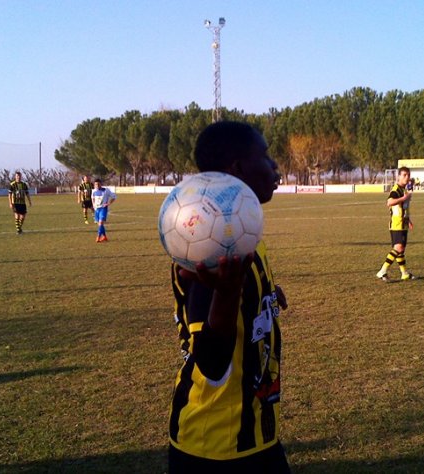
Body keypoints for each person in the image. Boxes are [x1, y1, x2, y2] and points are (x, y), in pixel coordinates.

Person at [167, 121, 290, 473]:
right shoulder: (208, 244)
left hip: (254, 430)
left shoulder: (244, 233)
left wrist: (264, 294)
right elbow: (212, 361)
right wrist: (227, 293)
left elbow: (239, 303)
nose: (274, 166)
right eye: (265, 156)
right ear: (237, 168)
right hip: (215, 446)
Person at [376, 166, 415, 282]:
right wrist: (403, 198)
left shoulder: (404, 190)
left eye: (408, 175)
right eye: (404, 175)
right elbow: (389, 202)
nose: (407, 177)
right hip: (397, 224)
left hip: (403, 223)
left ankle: (404, 273)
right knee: (398, 248)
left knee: (401, 250)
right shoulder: (396, 189)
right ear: (399, 176)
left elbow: (404, 207)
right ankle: (383, 270)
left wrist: (409, 220)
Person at [91, 178, 116, 242]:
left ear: (101, 184)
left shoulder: (106, 190)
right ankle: (104, 237)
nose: (97, 185)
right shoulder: (93, 191)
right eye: (96, 184)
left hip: (103, 208)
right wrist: (93, 206)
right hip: (96, 209)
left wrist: (108, 203)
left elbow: (114, 197)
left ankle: (98, 237)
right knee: (100, 224)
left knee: (101, 223)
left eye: (98, 184)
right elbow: (93, 199)